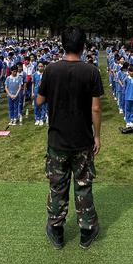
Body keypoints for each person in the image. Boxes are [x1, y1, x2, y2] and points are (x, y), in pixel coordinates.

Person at [37, 27, 103, 250]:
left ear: (62, 44)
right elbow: (96, 109)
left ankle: (56, 230)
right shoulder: (91, 71)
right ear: (84, 46)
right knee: (83, 186)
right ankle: (86, 231)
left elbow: (38, 101)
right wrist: (98, 136)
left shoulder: (50, 70)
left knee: (58, 187)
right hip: (82, 139)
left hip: (57, 140)